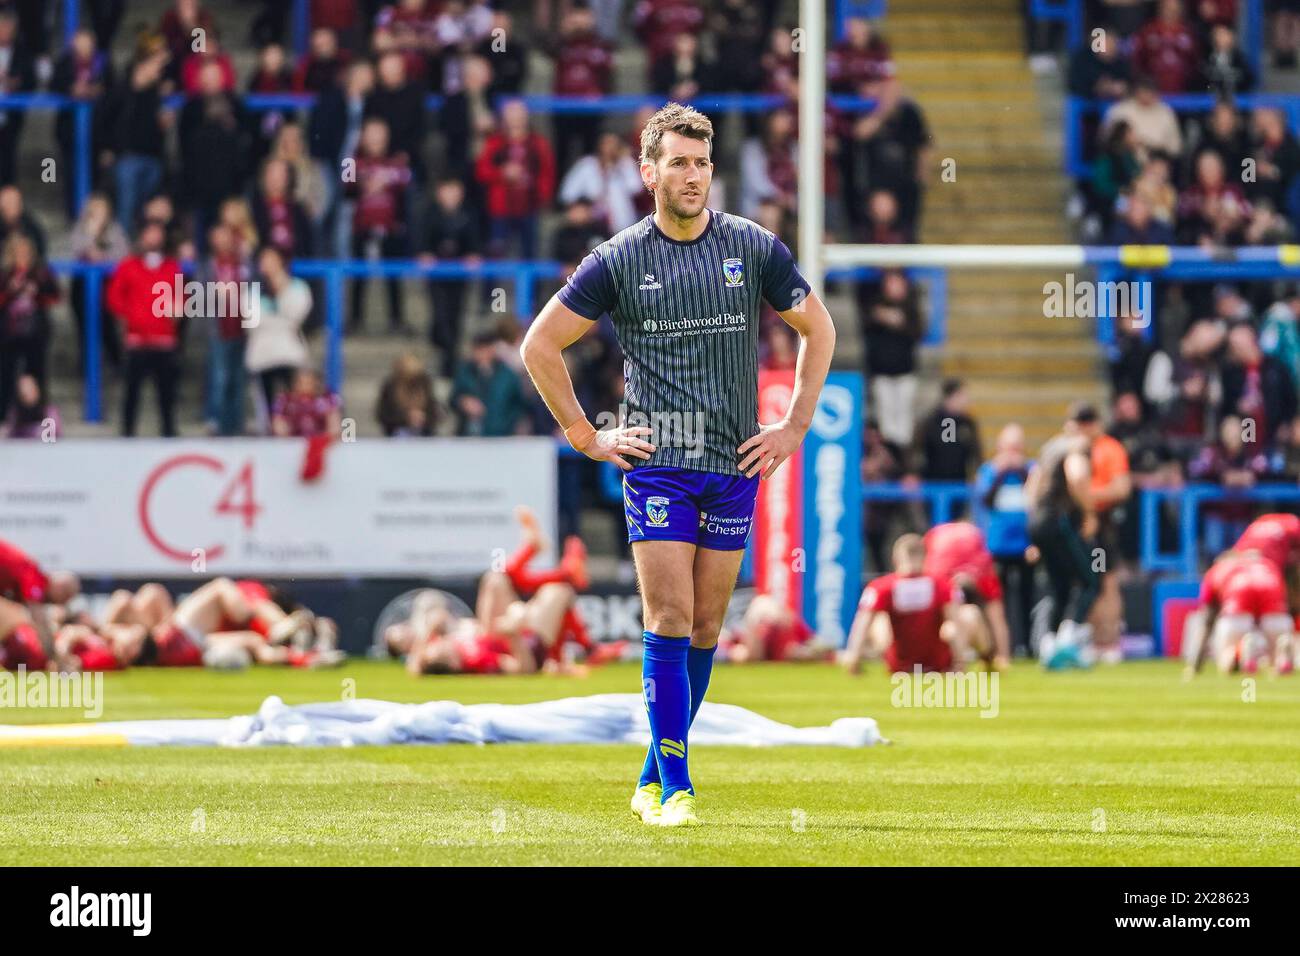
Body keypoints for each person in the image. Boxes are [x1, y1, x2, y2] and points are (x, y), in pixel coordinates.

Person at [519, 102, 836, 828]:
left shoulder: (752, 247)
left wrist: (793, 426)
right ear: (648, 171)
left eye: (702, 163)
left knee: (705, 627)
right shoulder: (618, 258)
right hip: (657, 464)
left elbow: (820, 328)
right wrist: (584, 434)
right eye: (679, 163)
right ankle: (680, 786)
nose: (693, 176)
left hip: (733, 463)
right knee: (667, 613)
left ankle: (649, 775)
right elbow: (539, 345)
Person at [1025, 405, 1101, 669]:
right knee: (1090, 581)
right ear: (1090, 425)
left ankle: (1048, 646)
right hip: (1059, 520)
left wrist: (1033, 533)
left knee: (1060, 586)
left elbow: (1031, 487)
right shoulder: (1077, 445)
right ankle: (1068, 641)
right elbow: (1077, 475)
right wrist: (1089, 512)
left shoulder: (1049, 448)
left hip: (1038, 521)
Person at [841, 533, 964, 675]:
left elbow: (862, 624)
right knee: (964, 615)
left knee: (878, 619)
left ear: (895, 558)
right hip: (938, 663)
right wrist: (960, 663)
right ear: (925, 557)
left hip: (898, 665)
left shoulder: (882, 587)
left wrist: (853, 658)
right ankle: (983, 657)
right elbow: (956, 623)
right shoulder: (942, 585)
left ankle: (868, 656)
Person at [106, 222, 184, 437]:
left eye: (158, 234)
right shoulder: (128, 266)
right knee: (131, 394)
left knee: (167, 395)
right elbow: (114, 297)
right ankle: (127, 435)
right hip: (137, 341)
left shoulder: (171, 267)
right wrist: (132, 316)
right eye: (149, 233)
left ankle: (169, 434)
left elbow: (181, 299)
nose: (153, 239)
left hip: (164, 341)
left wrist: (177, 310)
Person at [974, 424, 1034, 656]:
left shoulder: (1030, 470)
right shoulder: (989, 471)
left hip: (1025, 544)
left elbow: (1036, 497)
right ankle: (1002, 647)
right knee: (999, 600)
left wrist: (1019, 471)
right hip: (997, 545)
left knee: (1026, 597)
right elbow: (985, 501)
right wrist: (1001, 473)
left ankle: (1027, 645)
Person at [1186, 550, 1295, 676]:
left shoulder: (1218, 569)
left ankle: (1240, 652)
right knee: (1274, 657)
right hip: (1275, 604)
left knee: (1227, 658)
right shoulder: (1267, 565)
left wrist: (1195, 666)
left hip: (1236, 605)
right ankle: (1282, 651)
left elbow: (1207, 620)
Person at [923, 521, 1011, 670]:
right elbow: (998, 621)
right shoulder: (984, 574)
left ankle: (955, 660)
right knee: (969, 619)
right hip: (964, 577)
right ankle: (968, 660)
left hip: (941, 571)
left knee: (955, 622)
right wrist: (1004, 656)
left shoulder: (936, 574)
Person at [246, 245, 312, 432]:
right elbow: (251, 321)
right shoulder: (253, 291)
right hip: (262, 357)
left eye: (271, 259)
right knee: (267, 411)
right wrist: (280, 320)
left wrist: (281, 289)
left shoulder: (297, 287)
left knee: (295, 407)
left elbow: (295, 315)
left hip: (290, 354)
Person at [0, 234, 59, 425]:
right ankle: (4, 419)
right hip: (9, 334)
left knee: (37, 376)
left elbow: (54, 296)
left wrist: (37, 292)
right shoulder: (5, 274)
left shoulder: (41, 273)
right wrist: (11, 291)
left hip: (35, 334)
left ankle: (38, 419)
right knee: (6, 376)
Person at [376, 353, 438, 437]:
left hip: (424, 434)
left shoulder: (425, 385)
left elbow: (434, 412)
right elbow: (383, 413)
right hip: (396, 434)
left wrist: (423, 418)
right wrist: (406, 418)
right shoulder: (390, 386)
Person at [4, 373, 58, 439]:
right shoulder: (15, 413)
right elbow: (10, 435)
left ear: (36, 390)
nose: (25, 391)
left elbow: (54, 436)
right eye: (22, 388)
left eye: (29, 388)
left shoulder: (49, 412)